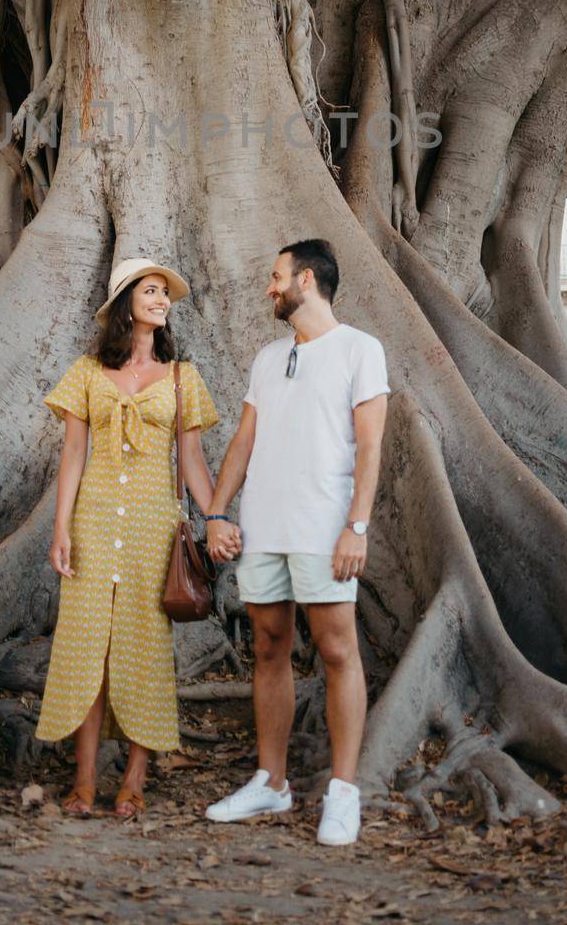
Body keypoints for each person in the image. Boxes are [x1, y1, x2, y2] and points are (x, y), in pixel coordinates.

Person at [204, 239, 389, 847]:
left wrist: (356, 526)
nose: (269, 287)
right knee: (268, 647)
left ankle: (342, 791)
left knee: (337, 652)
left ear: (305, 281)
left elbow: (370, 448)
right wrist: (216, 512)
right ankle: (272, 782)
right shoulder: (267, 358)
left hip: (323, 528)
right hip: (263, 527)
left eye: (276, 275)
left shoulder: (361, 350)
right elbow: (243, 441)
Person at [36, 257, 234, 818]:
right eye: (151, 291)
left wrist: (215, 515)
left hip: (153, 524)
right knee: (86, 649)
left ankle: (135, 778)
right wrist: (60, 528)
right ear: (126, 302)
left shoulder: (181, 378)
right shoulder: (86, 372)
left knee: (145, 649)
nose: (162, 300)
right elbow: (74, 454)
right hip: (94, 521)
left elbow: (191, 460)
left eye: (165, 294)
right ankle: (83, 781)